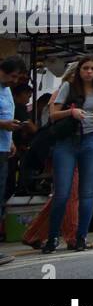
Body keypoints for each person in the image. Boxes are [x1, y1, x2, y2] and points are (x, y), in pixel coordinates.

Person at [44, 54, 93, 253]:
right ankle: (53, 237)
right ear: (79, 70)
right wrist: (71, 112)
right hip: (67, 142)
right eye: (85, 68)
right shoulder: (68, 87)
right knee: (62, 193)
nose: (89, 72)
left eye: (92, 69)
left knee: (87, 193)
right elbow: (53, 115)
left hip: (92, 140)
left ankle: (81, 237)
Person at [0, 57, 29, 237]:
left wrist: (10, 139)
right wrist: (4, 125)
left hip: (3, 148)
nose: (15, 81)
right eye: (13, 76)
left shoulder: (7, 90)